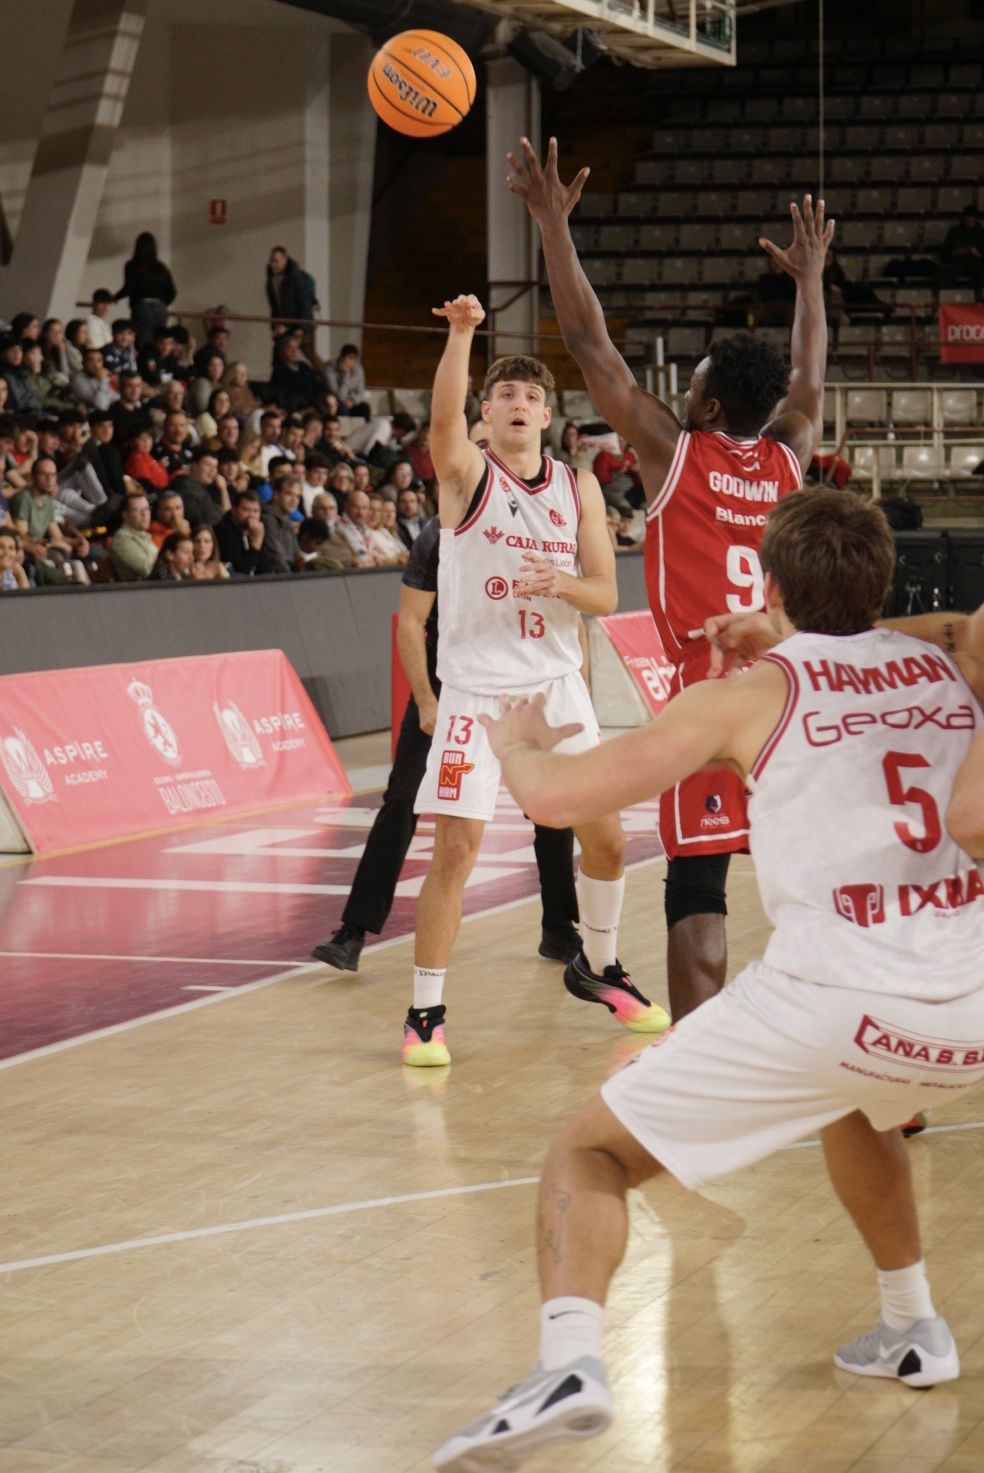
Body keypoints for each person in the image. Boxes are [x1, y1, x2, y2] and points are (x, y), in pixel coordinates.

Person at [433, 489, 984, 1472]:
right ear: (885, 578)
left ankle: (566, 1364)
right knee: (850, 1102)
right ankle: (913, 1326)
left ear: (768, 584)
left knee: (588, 1153)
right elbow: (919, 635)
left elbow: (558, 798)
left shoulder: (744, 696)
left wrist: (515, 744)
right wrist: (808, 630)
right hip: (970, 1005)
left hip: (836, 996)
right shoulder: (955, 663)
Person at [507, 137, 828, 1022]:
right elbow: (808, 379)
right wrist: (810, 284)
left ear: (710, 406)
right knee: (818, 882)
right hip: (791, 685)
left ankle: (695, 1062)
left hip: (709, 689)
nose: (682, 390)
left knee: (697, 885)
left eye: (692, 382)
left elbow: (587, 342)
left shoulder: (670, 450)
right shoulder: (790, 453)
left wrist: (552, 224)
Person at [401, 292, 667, 1070]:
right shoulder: (464, 474)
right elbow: (440, 422)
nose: (518, 403)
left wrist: (562, 584)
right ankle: (424, 1013)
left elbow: (605, 595)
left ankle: (599, 963)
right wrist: (461, 335)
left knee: (608, 838)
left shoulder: (577, 485)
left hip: (554, 684)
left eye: (530, 396)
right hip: (477, 692)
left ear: (547, 416)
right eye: (505, 395)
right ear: (485, 416)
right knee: (457, 849)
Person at [312, 514, 581, 973]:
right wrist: (425, 699)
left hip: (523, 680)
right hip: (452, 685)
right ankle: (353, 931)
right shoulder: (438, 535)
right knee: (402, 797)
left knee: (548, 803)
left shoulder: (537, 523)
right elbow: (410, 622)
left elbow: (568, 619)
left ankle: (559, 928)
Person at [114, 232, 177, 347]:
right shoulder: (161, 267)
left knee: (143, 343)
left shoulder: (132, 265)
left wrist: (114, 298)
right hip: (161, 309)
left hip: (142, 307)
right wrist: (162, 303)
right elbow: (172, 292)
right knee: (159, 344)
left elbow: (129, 288)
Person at [266, 247, 320, 365]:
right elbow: (275, 306)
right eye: (271, 261)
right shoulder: (272, 279)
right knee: (280, 358)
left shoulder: (298, 278)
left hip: (300, 324)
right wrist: (275, 325)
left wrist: (301, 328)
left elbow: (304, 304)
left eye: (276, 261)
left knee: (311, 357)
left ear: (285, 260)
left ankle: (323, 375)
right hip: (283, 326)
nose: (273, 264)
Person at [938, 203, 984, 301]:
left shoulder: (981, 233)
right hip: (957, 262)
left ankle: (978, 301)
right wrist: (955, 253)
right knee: (942, 275)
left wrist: (977, 253)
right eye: (967, 220)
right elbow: (944, 254)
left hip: (976, 264)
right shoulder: (954, 232)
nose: (969, 223)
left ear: (976, 219)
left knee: (980, 274)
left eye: (971, 220)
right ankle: (950, 299)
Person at [216, 489, 267, 576]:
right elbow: (241, 571)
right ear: (234, 510)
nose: (251, 515)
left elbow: (264, 568)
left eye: (255, 511)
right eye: (246, 510)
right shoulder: (224, 530)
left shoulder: (257, 529)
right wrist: (256, 542)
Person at [323, 342, 369, 418]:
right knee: (343, 408)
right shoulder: (329, 368)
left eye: (354, 358)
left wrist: (353, 400)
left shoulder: (358, 369)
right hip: (334, 400)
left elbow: (361, 392)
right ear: (341, 357)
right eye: (349, 358)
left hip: (351, 400)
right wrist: (346, 374)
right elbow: (340, 396)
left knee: (364, 408)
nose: (352, 362)